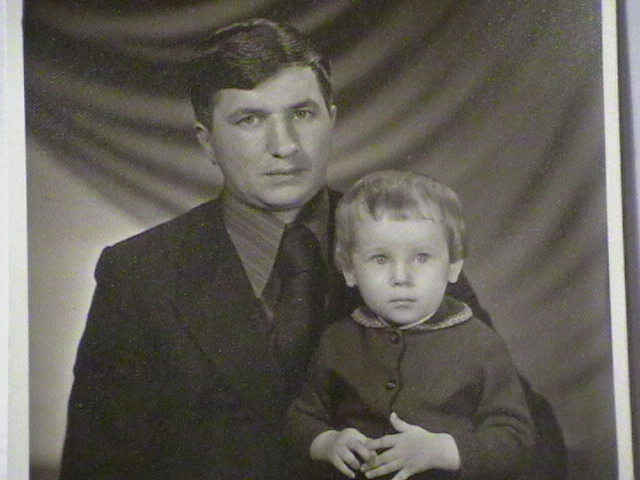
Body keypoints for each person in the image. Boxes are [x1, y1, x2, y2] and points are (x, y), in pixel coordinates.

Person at [59, 18, 565, 480]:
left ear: (331, 119)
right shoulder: (139, 273)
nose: (284, 145)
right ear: (207, 141)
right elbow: (97, 468)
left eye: (302, 113)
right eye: (249, 120)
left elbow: (532, 442)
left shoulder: (410, 243)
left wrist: (447, 452)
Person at [287, 170, 534, 480]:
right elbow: (300, 418)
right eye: (380, 259)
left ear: (453, 266)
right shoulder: (337, 340)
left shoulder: (480, 344)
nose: (401, 277)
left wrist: (443, 451)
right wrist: (327, 443)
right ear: (349, 270)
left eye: (421, 257)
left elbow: (516, 440)